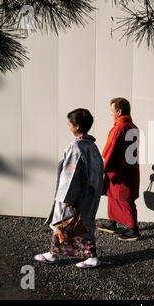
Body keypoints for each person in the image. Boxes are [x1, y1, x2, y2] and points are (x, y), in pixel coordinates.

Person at [34, 108, 104, 268]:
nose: (69, 127)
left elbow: (71, 175)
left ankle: (61, 255)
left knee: (67, 222)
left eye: (69, 124)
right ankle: (55, 253)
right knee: (79, 224)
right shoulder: (92, 146)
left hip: (76, 195)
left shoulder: (77, 147)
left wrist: (68, 198)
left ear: (77, 126)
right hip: (89, 193)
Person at [98, 97, 140, 241]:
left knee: (124, 198)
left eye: (112, 110)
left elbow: (114, 151)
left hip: (121, 168)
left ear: (119, 111)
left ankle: (133, 230)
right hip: (127, 166)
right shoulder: (131, 126)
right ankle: (112, 223)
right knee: (112, 195)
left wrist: (105, 167)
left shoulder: (122, 128)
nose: (111, 113)